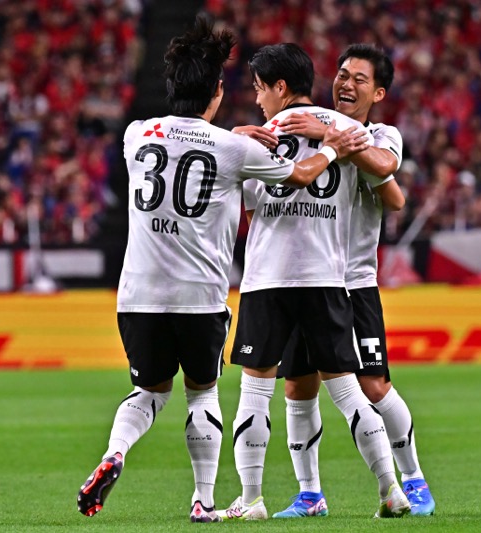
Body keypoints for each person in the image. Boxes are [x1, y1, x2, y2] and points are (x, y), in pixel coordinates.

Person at [76, 16, 369, 524]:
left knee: (148, 392)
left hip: (137, 293)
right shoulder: (234, 149)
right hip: (199, 296)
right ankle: (204, 500)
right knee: (202, 393)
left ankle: (116, 451)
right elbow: (301, 175)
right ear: (216, 91)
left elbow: (185, 145)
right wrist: (331, 147)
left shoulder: (134, 134)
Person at [218, 43, 409, 521]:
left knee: (255, 391)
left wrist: (239, 138)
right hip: (327, 277)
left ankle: (251, 499)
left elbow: (251, 210)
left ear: (280, 87)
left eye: (260, 88)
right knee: (346, 391)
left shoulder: (260, 137)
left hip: (269, 278)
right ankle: (391, 489)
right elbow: (385, 181)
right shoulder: (348, 132)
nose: (258, 99)